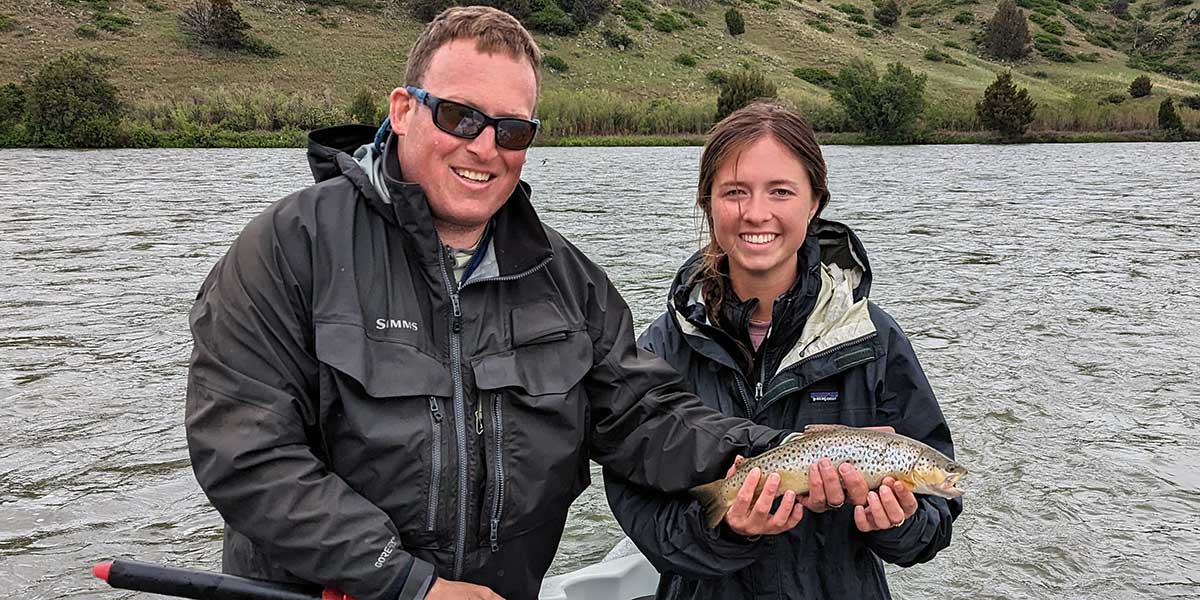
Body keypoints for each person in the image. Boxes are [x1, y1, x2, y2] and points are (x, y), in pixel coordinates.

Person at [184, 7, 789, 600]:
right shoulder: (289, 248)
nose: (484, 146)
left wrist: (780, 455)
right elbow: (247, 453)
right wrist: (406, 583)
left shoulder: (570, 280)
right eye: (459, 116)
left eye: (512, 129)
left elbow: (645, 419)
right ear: (402, 111)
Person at [604, 101, 962, 599]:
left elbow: (933, 527)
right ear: (708, 202)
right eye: (734, 192)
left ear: (815, 202)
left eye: (781, 192)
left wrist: (895, 525)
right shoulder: (662, 348)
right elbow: (639, 507)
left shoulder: (876, 341)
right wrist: (728, 529)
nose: (756, 213)